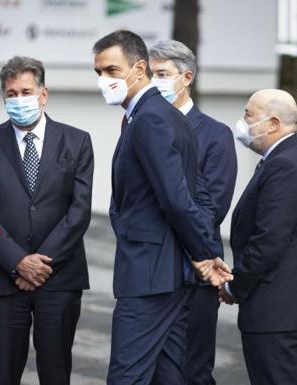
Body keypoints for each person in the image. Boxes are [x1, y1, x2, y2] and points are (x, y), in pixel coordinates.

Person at [92, 30, 232, 385]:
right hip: (171, 273)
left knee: (127, 375)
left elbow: (177, 198)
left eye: (111, 70)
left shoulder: (151, 118)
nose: (104, 80)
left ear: (139, 69)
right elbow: (195, 195)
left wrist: (203, 253)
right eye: (98, 73)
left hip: (151, 275)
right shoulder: (166, 116)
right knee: (170, 375)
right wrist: (206, 252)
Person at [0, 56, 94, 385]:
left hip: (59, 278)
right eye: (10, 94)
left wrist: (41, 265)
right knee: (1, 372)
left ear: (43, 95)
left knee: (56, 372)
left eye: (25, 91)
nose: (18, 100)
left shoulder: (76, 141)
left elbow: (79, 211)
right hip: (3, 279)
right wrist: (18, 262)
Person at [220, 89, 297, 385]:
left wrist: (233, 286)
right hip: (280, 304)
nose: (242, 121)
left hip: (276, 305)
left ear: (273, 123)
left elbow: (269, 241)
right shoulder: (289, 157)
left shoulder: (285, 164)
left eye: (249, 115)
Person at [149, 39, 238, 385]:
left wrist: (190, 251)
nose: (155, 81)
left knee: (194, 370)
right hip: (152, 270)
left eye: (162, 74)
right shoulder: (138, 125)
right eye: (151, 73)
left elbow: (212, 206)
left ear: (186, 77)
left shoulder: (215, 135)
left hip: (196, 270)